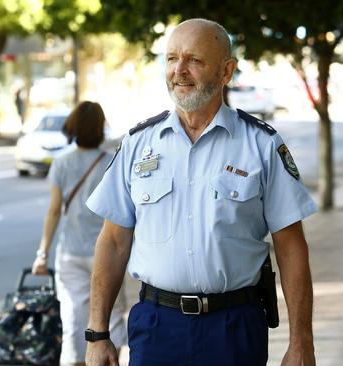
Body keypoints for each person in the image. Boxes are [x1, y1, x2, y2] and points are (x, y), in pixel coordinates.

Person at [85, 18, 317, 366]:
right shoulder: (137, 145)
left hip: (234, 327)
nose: (180, 70)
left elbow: (291, 247)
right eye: (172, 59)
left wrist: (301, 343)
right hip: (157, 328)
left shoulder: (261, 145)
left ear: (226, 71)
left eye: (195, 60)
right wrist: (97, 334)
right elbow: (114, 241)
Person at [32, 101, 126, 366]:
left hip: (71, 253)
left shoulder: (62, 163)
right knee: (113, 315)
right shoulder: (111, 163)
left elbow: (53, 212)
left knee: (73, 316)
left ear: (72, 128)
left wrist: (42, 254)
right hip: (106, 254)